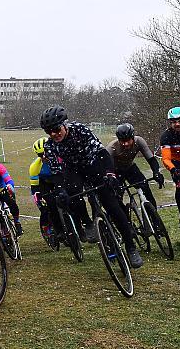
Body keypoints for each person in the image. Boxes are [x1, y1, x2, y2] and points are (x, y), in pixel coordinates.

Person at [40, 105, 144, 268]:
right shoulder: (50, 146)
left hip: (93, 164)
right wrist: (60, 190)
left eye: (56, 129)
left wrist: (110, 174)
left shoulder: (80, 130)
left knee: (112, 206)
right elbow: (56, 172)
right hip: (73, 169)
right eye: (49, 132)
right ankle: (88, 223)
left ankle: (131, 247)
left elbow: (102, 153)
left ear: (64, 124)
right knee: (71, 193)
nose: (53, 134)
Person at [106, 123, 164, 208]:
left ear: (133, 137)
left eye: (128, 140)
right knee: (116, 195)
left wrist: (156, 172)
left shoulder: (139, 141)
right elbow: (107, 167)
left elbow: (151, 159)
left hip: (130, 168)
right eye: (122, 141)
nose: (125, 144)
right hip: (115, 170)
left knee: (145, 188)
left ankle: (154, 216)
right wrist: (111, 178)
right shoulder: (112, 147)